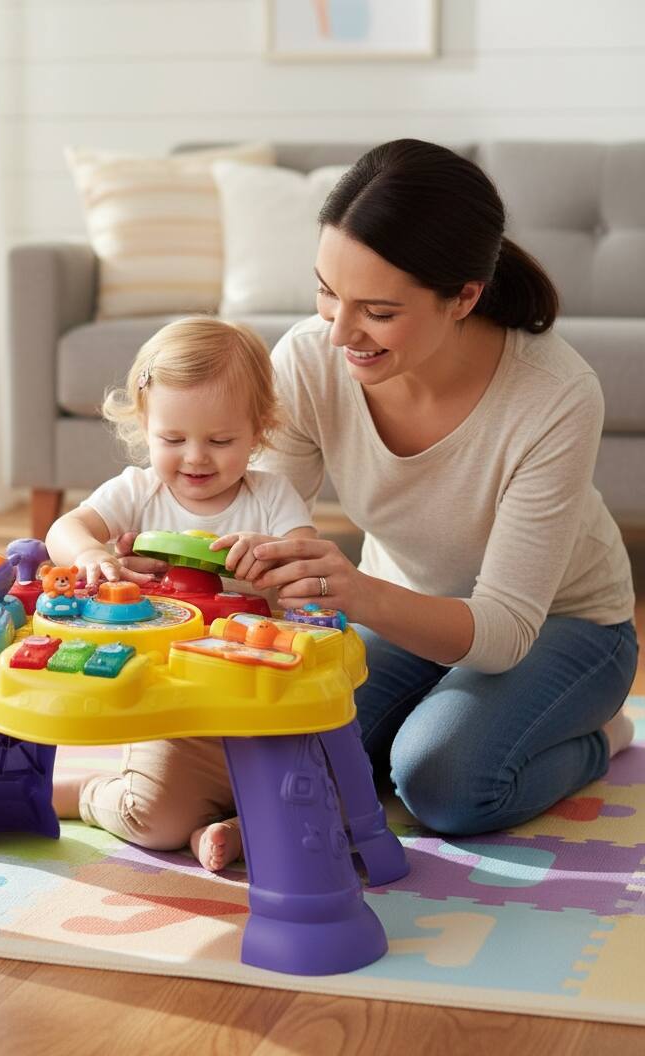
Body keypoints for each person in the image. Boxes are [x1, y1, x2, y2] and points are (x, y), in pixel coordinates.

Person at [180, 137, 635, 862]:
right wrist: (160, 550)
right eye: (327, 292)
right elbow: (249, 516)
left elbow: (503, 632)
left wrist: (353, 591)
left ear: (463, 297)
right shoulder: (309, 357)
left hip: (561, 623)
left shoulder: (554, 395)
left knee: (445, 782)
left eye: (378, 311)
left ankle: (599, 737)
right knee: (273, 741)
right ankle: (419, 733)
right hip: (404, 604)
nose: (338, 332)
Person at [44, 316, 318, 870]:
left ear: (259, 431)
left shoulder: (272, 497)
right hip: (176, 715)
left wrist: (270, 559)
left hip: (262, 707)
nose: (195, 458)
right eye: (172, 439)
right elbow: (61, 531)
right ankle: (90, 793)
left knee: (325, 802)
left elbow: (310, 580)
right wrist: (94, 553)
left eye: (220, 441)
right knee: (157, 820)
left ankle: (230, 833)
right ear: (145, 425)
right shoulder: (138, 492)